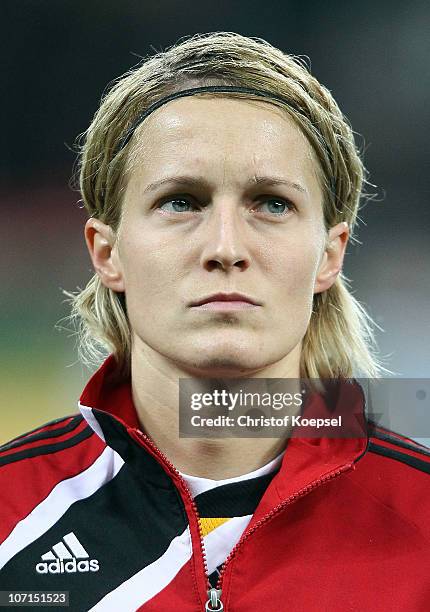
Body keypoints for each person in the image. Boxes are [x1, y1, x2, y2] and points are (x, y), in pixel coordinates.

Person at [0, 32, 429, 612]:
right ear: (108, 253)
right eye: (181, 201)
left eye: (273, 203)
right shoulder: (9, 515)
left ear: (331, 255)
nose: (225, 247)